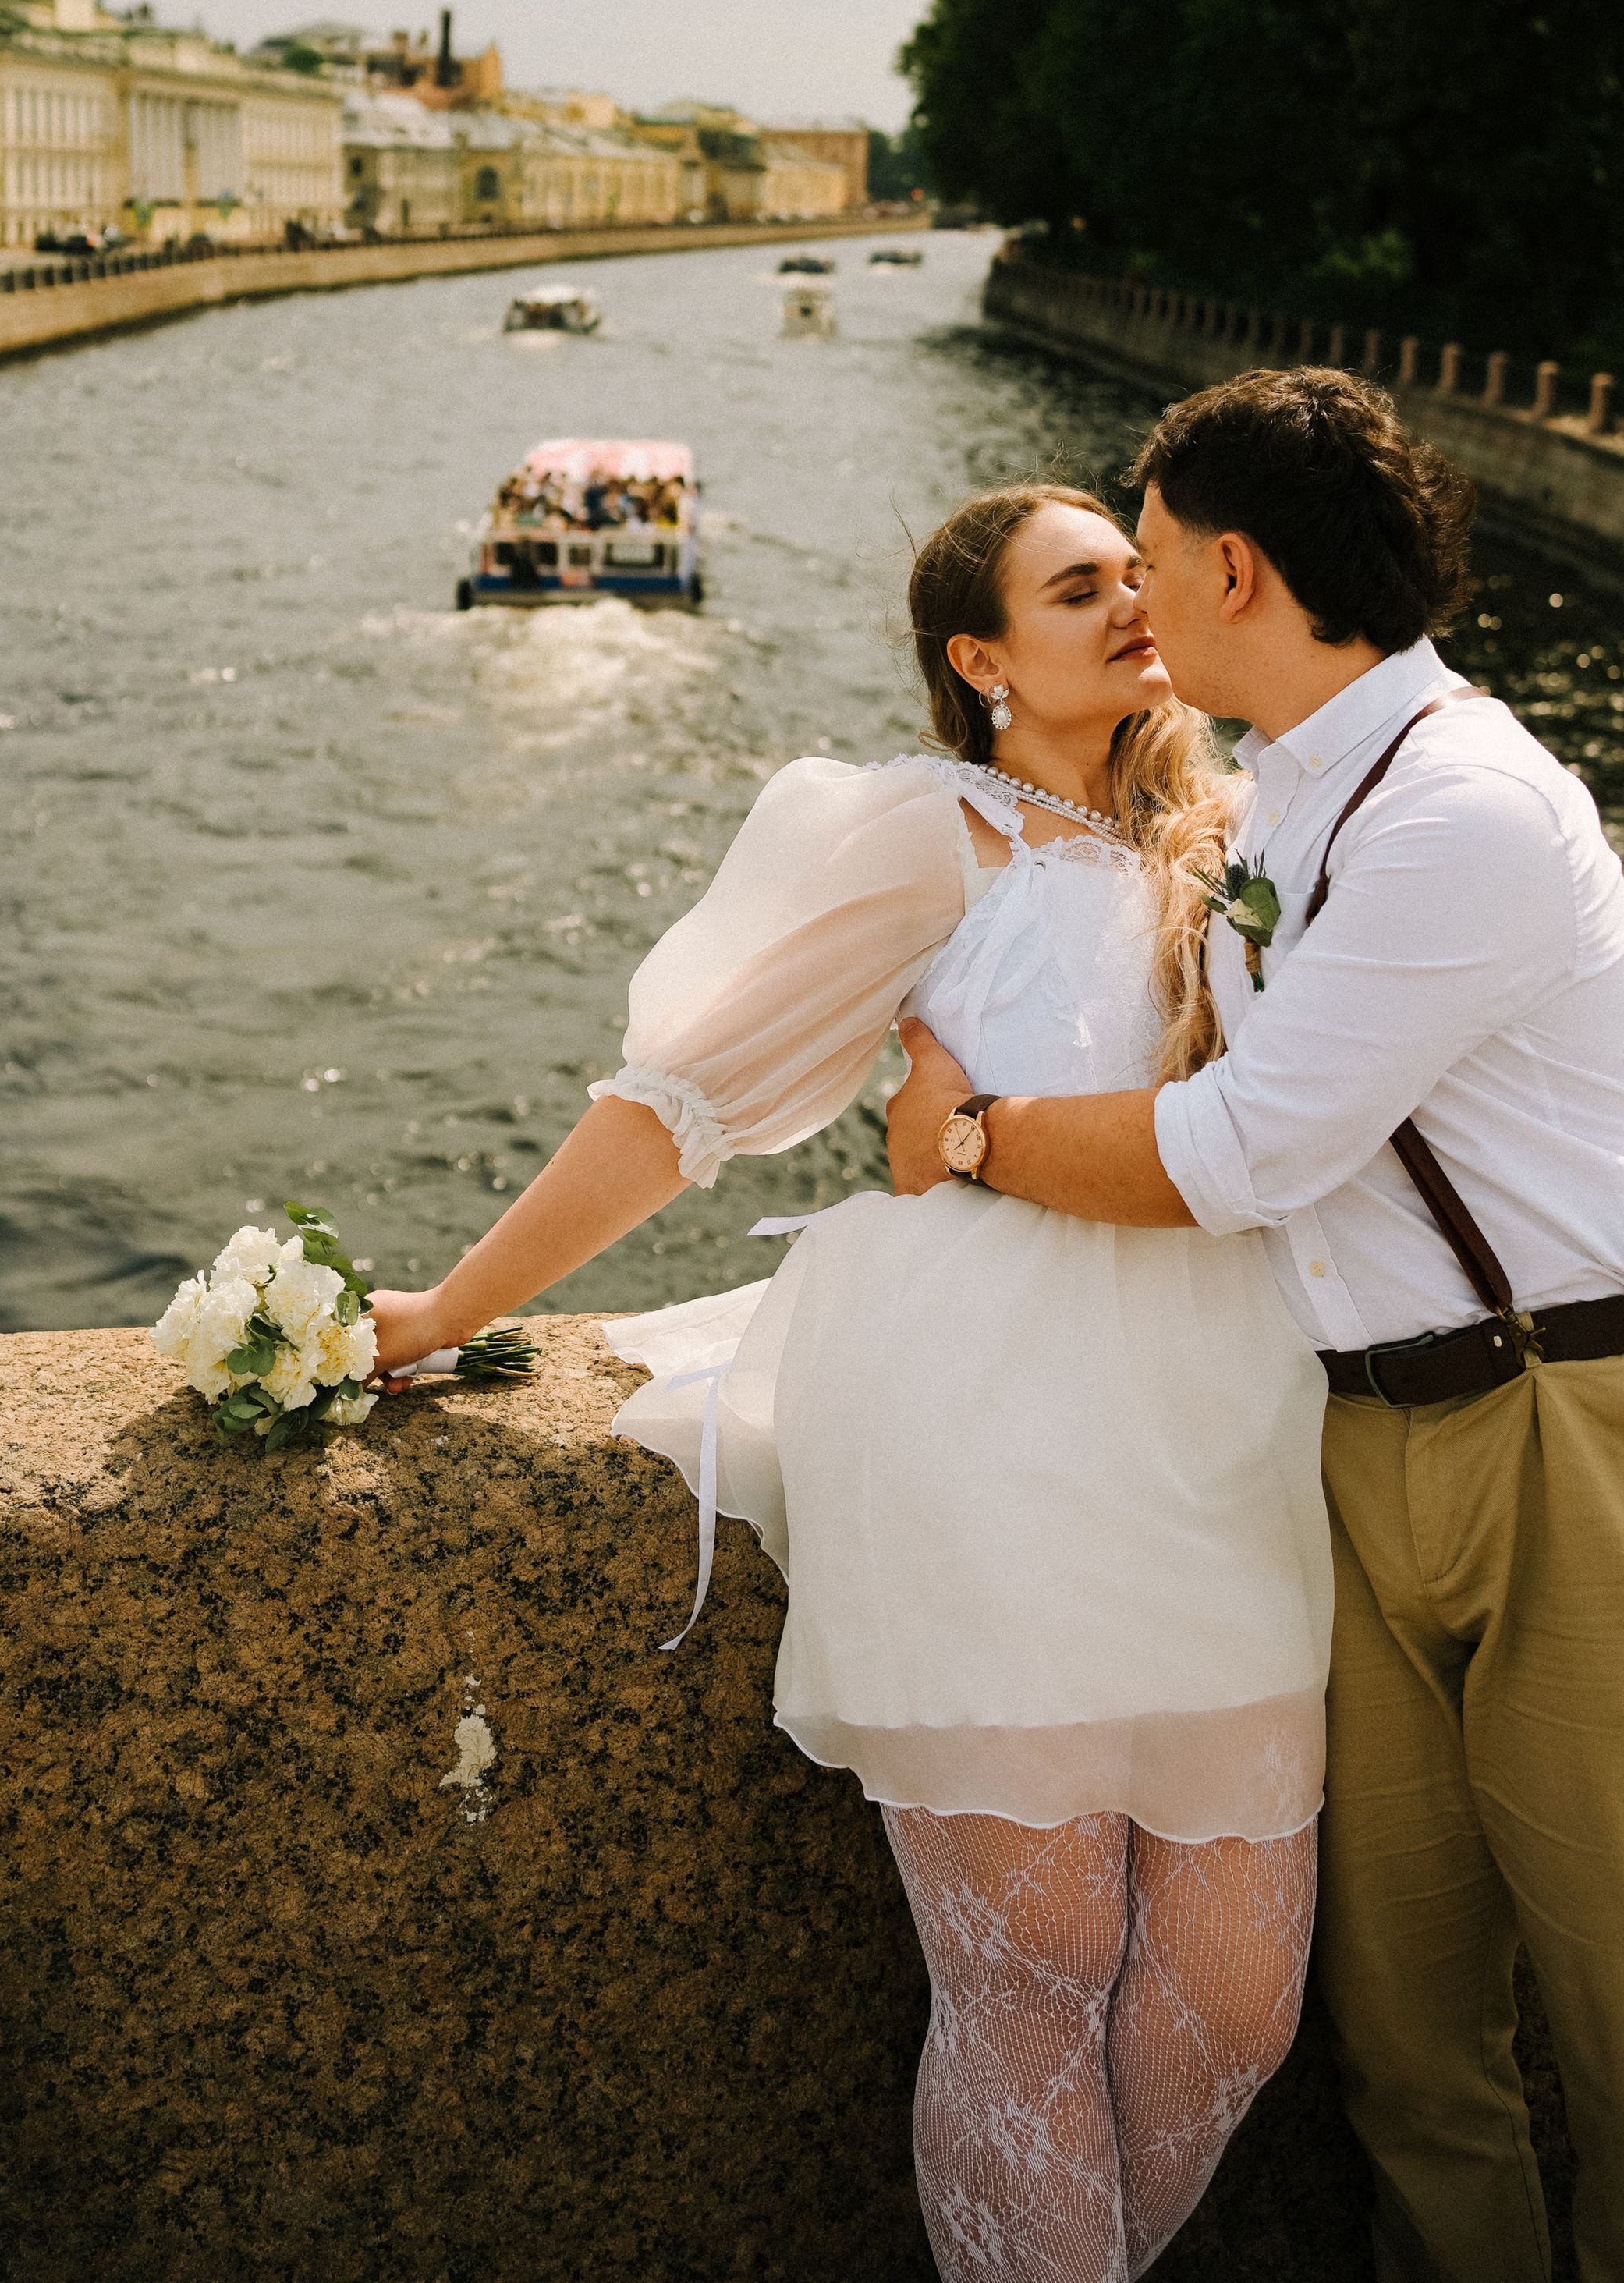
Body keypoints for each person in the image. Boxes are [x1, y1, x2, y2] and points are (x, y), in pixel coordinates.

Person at [372, 482, 1333, 2282]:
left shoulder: (1244, 817)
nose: (1130, 602)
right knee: (1029, 1985)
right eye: (1075, 590)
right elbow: (681, 1107)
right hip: (986, 1440)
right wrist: (448, 1305)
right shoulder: (932, 837)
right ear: (978, 658)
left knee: (1231, 2001)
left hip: (1230, 1449)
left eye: (1137, 573)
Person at [885, 373, 1624, 2283]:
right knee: (1409, 2037)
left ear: (1230, 569)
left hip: (1571, 1435)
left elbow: (1243, 1147)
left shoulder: (1463, 800)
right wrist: (951, 1008)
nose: (1129, 595)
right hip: (1351, 1445)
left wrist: (962, 1133)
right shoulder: (1279, 781)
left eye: (1144, 554)